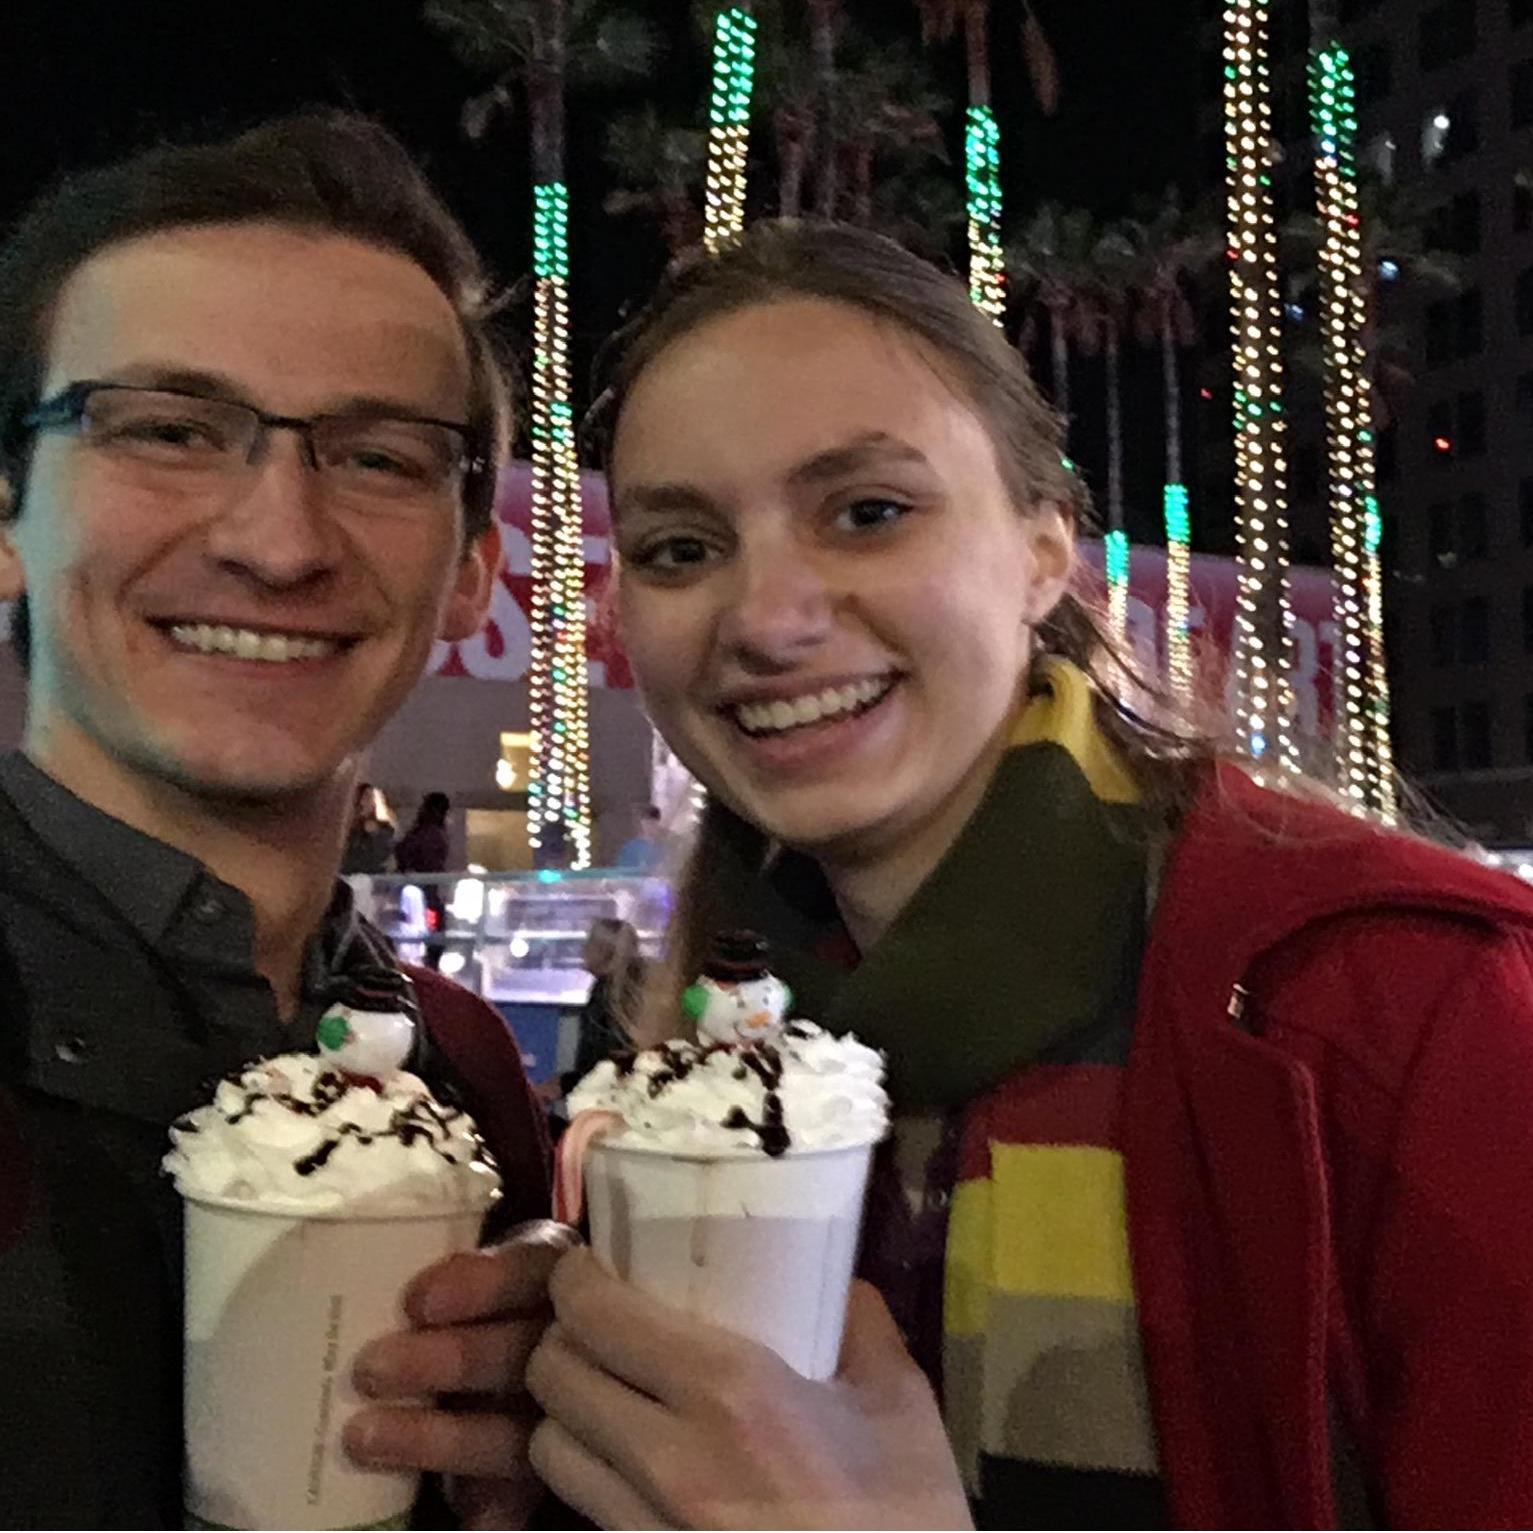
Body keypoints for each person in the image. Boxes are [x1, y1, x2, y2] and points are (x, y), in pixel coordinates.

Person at [495, 221, 1533, 1528]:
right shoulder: (697, 1077)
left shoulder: (1407, 1013)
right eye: (679, 549)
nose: (765, 619)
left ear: (1046, 551)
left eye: (867, 512)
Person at [0, 113, 568, 1529]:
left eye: (377, 458)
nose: (278, 539)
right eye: (168, 430)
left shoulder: (470, 1074)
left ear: (468, 573)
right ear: (6, 511)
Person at [535, 917, 645, 1128]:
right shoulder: (631, 989)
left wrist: (562, 1084)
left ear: (603, 951)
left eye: (588, 944)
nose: (583, 950)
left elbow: (601, 1064)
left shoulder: (605, 995)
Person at [396, 789, 452, 968]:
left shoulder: (419, 832)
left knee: (425, 939)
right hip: (428, 893)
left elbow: (403, 853)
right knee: (433, 940)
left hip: (421, 891)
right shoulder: (434, 834)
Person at [341, 781, 396, 875]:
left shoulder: (384, 827)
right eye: (364, 797)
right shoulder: (344, 827)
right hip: (348, 874)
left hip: (373, 875)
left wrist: (376, 834)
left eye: (371, 797)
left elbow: (384, 852)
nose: (367, 801)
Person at [613, 803, 665, 872]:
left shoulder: (662, 849)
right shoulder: (630, 848)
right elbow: (621, 872)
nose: (650, 827)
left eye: (653, 823)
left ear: (658, 824)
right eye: (647, 823)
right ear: (642, 823)